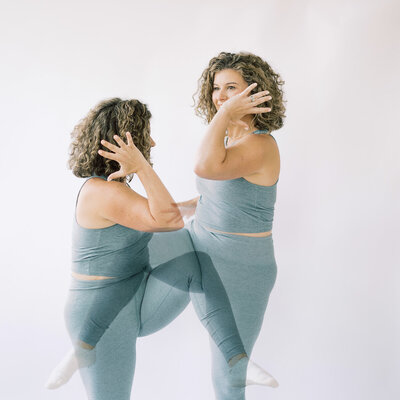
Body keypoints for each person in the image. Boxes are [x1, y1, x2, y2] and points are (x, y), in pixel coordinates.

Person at [45, 97, 276, 398]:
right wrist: (141, 166)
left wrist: (220, 206)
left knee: (194, 257)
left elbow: (171, 218)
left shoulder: (115, 190)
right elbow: (168, 218)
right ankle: (85, 347)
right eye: (145, 136)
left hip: (132, 298)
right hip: (100, 314)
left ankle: (236, 359)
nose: (152, 143)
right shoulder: (101, 193)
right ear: (126, 142)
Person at [180, 51, 286, 399]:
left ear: (254, 93)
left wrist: (223, 115)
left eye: (231, 88)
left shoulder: (260, 145)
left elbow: (204, 167)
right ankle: (93, 338)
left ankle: (238, 362)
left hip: (240, 268)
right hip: (202, 246)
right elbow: (219, 195)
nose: (220, 96)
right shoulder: (228, 140)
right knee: (135, 245)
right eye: (216, 88)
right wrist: (179, 208)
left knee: (226, 377)